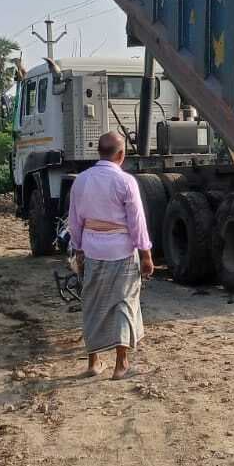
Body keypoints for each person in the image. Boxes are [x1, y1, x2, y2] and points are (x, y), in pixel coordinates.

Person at [67, 132, 154, 380]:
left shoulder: (81, 181)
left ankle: (94, 362)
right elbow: (137, 222)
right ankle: (121, 365)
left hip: (93, 249)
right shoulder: (126, 182)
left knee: (93, 303)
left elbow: (75, 221)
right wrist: (146, 254)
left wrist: (79, 248)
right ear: (121, 154)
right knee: (124, 303)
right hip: (122, 251)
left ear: (99, 153)